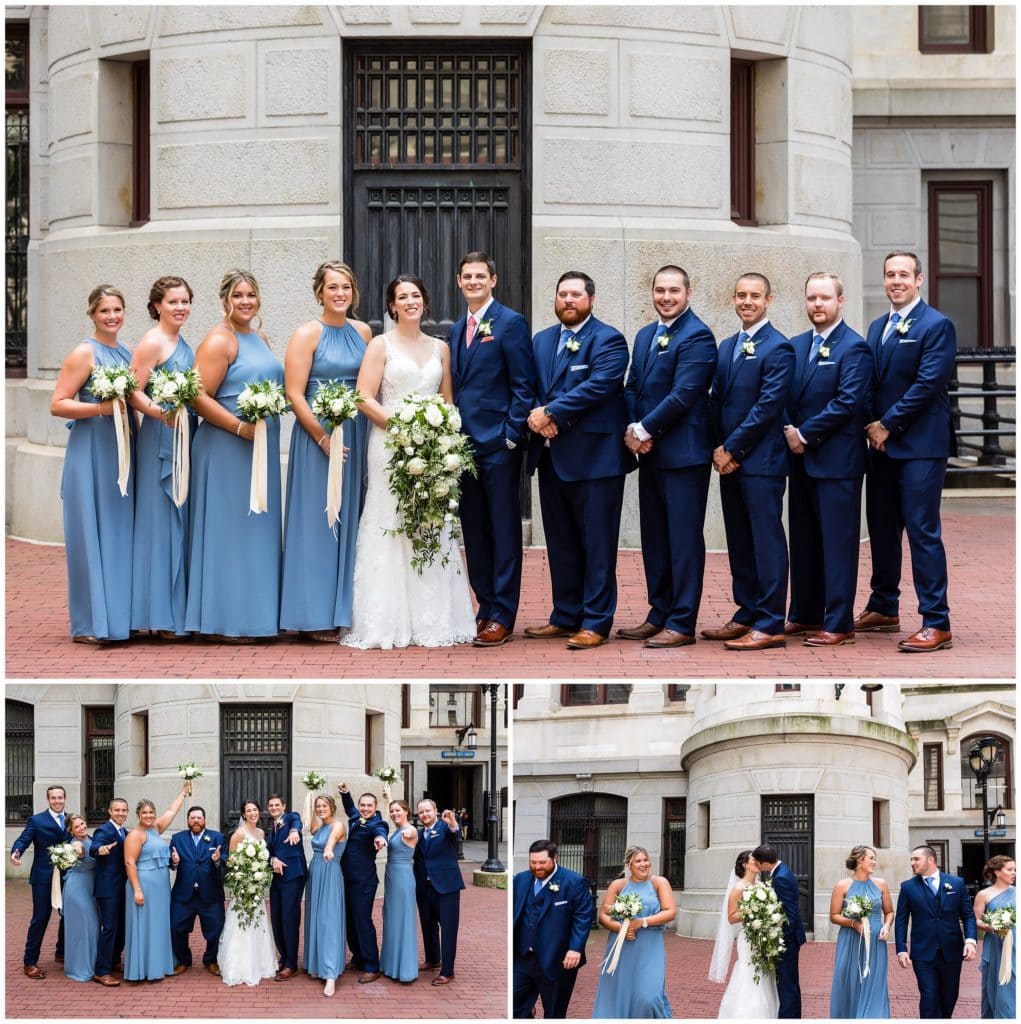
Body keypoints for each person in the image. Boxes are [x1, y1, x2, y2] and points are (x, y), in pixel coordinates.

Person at [342, 274, 476, 648]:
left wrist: (442, 436)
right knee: (391, 520)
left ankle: (432, 618)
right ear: (392, 305)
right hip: (388, 443)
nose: (410, 301)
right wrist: (402, 426)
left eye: (416, 295)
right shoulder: (380, 345)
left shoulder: (441, 348)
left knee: (430, 522)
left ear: (425, 302)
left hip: (432, 447)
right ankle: (385, 621)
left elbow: (447, 400)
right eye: (402, 297)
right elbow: (364, 397)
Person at [524, 271, 635, 650]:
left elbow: (600, 386)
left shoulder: (608, 340)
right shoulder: (541, 341)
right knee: (561, 543)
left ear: (591, 299)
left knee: (597, 545)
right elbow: (527, 387)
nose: (568, 300)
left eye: (576, 294)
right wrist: (537, 417)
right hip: (551, 457)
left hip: (596, 461)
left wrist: (552, 413)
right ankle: (565, 614)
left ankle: (597, 621)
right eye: (562, 295)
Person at [857, 251, 958, 653]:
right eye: (889, 274)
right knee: (881, 529)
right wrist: (869, 424)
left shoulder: (937, 325)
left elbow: (927, 384)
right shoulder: (878, 325)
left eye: (904, 274)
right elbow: (868, 381)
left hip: (920, 446)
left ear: (919, 280)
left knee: (922, 531)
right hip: (880, 445)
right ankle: (884, 605)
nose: (896, 281)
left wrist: (887, 424)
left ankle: (937, 621)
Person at [619, 264, 717, 648]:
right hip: (651, 454)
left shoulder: (698, 337)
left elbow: (684, 394)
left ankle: (682, 621)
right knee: (655, 539)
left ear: (688, 294)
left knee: (683, 540)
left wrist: (644, 430)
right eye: (660, 290)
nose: (666, 297)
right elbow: (631, 387)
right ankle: (658, 612)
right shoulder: (645, 335)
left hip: (684, 456)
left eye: (674, 291)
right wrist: (632, 427)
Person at [184, 268, 284, 641]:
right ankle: (223, 621)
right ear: (225, 299)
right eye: (238, 295)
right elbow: (197, 396)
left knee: (256, 531)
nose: (246, 301)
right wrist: (239, 427)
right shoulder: (218, 340)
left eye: (251, 295)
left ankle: (255, 616)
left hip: (260, 448)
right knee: (229, 531)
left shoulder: (260, 336)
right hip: (227, 446)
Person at [280, 261, 372, 640]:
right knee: (318, 519)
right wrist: (320, 436)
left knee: (352, 517)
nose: (340, 294)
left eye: (346, 287)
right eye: (332, 287)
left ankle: (342, 610)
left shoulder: (363, 331)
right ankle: (311, 613)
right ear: (319, 292)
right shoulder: (306, 334)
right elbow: (294, 393)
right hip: (317, 434)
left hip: (355, 431)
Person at [703, 274, 795, 651]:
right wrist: (716, 447)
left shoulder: (779, 348)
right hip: (729, 460)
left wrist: (733, 449)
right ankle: (747, 611)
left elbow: (767, 408)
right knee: (739, 541)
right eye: (741, 295)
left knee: (766, 541)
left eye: (755, 296)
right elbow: (715, 401)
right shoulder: (727, 346)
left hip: (761, 461)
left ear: (768, 300)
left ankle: (771, 621)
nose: (747, 301)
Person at [448, 251, 534, 647]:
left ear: (493, 280)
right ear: (459, 281)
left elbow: (523, 385)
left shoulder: (511, 323)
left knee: (503, 531)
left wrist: (511, 435)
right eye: (467, 276)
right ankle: (484, 607)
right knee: (475, 532)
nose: (474, 282)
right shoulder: (455, 329)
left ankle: (503, 613)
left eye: (480, 276)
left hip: (498, 445)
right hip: (462, 447)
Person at [783, 272, 872, 646]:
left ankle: (839, 623)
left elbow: (848, 402)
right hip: (798, 460)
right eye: (811, 299)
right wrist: (789, 427)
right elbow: (780, 394)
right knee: (803, 541)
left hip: (836, 461)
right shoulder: (795, 344)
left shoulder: (854, 348)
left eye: (824, 298)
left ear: (840, 301)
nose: (817, 305)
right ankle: (804, 614)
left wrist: (804, 434)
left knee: (837, 544)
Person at [49, 285, 135, 644]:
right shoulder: (85, 353)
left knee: (116, 535)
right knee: (90, 534)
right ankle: (89, 624)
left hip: (121, 452)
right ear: (92, 314)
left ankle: (117, 619)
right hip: (91, 451)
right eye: (105, 311)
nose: (112, 316)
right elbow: (58, 404)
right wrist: (100, 409)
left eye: (117, 310)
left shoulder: (126, 352)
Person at [129, 275, 197, 639]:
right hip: (161, 437)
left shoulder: (180, 340)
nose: (181, 308)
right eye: (173, 302)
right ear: (157, 306)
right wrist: (159, 413)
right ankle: (158, 616)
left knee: (179, 521)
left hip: (184, 433)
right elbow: (133, 392)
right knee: (161, 524)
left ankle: (174, 611)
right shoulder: (153, 341)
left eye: (185, 301)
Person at [894, 844, 977, 1018]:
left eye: (916, 859)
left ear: (931, 860)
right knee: (929, 994)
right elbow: (901, 920)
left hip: (952, 950)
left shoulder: (956, 883)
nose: (912, 863)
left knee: (949, 995)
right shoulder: (908, 887)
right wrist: (901, 949)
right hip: (922, 952)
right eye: (911, 859)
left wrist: (970, 941)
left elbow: (968, 916)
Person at [513, 838, 593, 1019]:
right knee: (515, 1006)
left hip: (558, 959)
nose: (537, 867)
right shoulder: (521, 879)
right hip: (523, 957)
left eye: (542, 862)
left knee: (555, 1012)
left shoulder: (575, 882)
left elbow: (582, 918)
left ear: (554, 858)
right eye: (533, 862)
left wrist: (575, 948)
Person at [592, 845, 675, 1018]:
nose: (643, 864)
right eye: (638, 861)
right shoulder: (618, 885)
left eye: (645, 860)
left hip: (650, 945)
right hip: (622, 946)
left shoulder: (659, 883)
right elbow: (603, 915)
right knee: (621, 992)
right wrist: (621, 927)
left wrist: (642, 922)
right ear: (629, 864)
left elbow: (670, 912)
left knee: (649, 997)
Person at [123, 786, 190, 982]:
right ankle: (142, 969)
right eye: (144, 812)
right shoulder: (135, 835)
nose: (148, 815)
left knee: (158, 925)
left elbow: (171, 811)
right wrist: (137, 890)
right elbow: (130, 862)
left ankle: (158, 965)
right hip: (144, 885)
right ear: (138, 815)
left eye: (151, 812)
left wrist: (183, 793)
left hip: (161, 887)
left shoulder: (156, 829)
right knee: (145, 925)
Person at [10, 784, 71, 978]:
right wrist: (16, 852)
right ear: (48, 800)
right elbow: (23, 840)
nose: (57, 801)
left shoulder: (70, 819)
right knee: (40, 918)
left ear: (65, 799)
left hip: (67, 875)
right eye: (53, 798)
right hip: (43, 878)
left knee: (68, 914)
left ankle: (61, 951)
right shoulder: (36, 820)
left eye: (60, 797)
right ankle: (30, 962)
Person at [709, 850, 778, 1018]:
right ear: (744, 864)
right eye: (753, 860)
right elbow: (731, 917)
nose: (757, 862)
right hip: (747, 938)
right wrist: (752, 911)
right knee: (749, 973)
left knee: (765, 975)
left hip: (763, 937)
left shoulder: (762, 886)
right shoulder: (738, 888)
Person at [828, 844, 894, 1018]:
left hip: (875, 940)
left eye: (875, 858)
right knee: (848, 978)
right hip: (850, 939)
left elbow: (889, 912)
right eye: (871, 858)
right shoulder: (842, 885)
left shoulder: (881, 884)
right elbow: (834, 916)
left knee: (874, 980)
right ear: (859, 860)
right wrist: (854, 924)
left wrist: (887, 926)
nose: (874, 862)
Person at [218, 799, 277, 986]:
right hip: (244, 885)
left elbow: (263, 857)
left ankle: (259, 963)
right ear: (243, 814)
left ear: (259, 812)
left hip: (257, 885)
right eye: (248, 810)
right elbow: (231, 861)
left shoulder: (261, 832)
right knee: (242, 920)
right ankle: (238, 965)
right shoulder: (238, 834)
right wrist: (244, 876)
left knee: (258, 920)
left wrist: (259, 872)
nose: (252, 813)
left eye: (255, 810)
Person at [337, 782, 388, 981]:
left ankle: (372, 966)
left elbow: (381, 832)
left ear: (375, 808)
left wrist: (381, 839)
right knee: (350, 921)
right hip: (347, 879)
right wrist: (346, 793)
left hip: (363, 882)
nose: (365, 808)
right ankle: (358, 957)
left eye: (369, 806)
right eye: (363, 805)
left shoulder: (378, 823)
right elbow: (350, 809)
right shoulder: (356, 818)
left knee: (363, 922)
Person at [168, 805, 225, 976]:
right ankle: (184, 960)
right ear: (187, 820)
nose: (196, 821)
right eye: (192, 818)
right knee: (177, 927)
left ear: (204, 819)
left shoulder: (217, 837)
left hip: (210, 893)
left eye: (199, 817)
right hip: (184, 894)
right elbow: (171, 862)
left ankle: (211, 960)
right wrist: (175, 862)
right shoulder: (177, 838)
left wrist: (217, 860)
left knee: (216, 928)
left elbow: (225, 859)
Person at [752, 843, 806, 1018]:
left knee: (786, 983)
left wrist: (781, 943)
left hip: (787, 941)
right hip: (791, 938)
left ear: (764, 863)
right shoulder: (783, 869)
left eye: (758, 864)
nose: (758, 868)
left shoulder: (779, 878)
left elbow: (790, 915)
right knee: (790, 981)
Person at [414, 799, 464, 986]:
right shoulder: (419, 833)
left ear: (435, 811)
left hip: (447, 887)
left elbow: (455, 833)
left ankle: (447, 971)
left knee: (449, 929)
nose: (425, 814)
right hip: (424, 887)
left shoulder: (444, 828)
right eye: (421, 812)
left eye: (427, 811)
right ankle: (433, 959)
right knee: (428, 925)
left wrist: (451, 821)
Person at [303, 795, 348, 997]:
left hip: (330, 873)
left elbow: (330, 842)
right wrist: (310, 797)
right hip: (316, 874)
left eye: (324, 806)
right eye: (318, 807)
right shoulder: (319, 827)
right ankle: (317, 964)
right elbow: (310, 826)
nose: (321, 809)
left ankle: (330, 975)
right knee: (316, 919)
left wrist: (329, 849)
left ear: (332, 807)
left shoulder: (338, 826)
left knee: (328, 921)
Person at [265, 794, 306, 980]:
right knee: (277, 919)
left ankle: (291, 964)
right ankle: (284, 957)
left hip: (293, 877)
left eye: (277, 805)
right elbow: (270, 853)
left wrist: (294, 831)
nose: (274, 808)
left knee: (289, 919)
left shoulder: (290, 818)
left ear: (283, 806)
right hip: (277, 878)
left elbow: (297, 821)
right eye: (271, 805)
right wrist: (273, 859)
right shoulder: (271, 829)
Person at [90, 796, 130, 986]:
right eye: (117, 810)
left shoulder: (125, 832)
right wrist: (100, 849)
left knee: (121, 927)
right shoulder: (104, 830)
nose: (120, 813)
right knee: (109, 928)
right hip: (108, 889)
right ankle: (101, 971)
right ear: (110, 811)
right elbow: (95, 846)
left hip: (122, 888)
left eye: (124, 810)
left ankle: (114, 960)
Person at [380, 799, 419, 983]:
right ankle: (390, 965)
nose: (394, 813)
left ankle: (405, 969)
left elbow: (411, 832)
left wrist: (410, 830)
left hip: (402, 878)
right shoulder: (396, 829)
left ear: (406, 812)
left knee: (402, 919)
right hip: (392, 876)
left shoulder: (408, 830)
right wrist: (388, 797)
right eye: (392, 811)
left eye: (398, 811)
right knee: (392, 919)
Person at [974, 855, 1015, 1019]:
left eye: (1015, 870)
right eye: (1010, 870)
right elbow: (976, 920)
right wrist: (991, 927)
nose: (1014, 873)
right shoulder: (983, 895)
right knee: (998, 990)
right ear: (997, 872)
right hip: (997, 945)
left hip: (1016, 945)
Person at [60, 814, 99, 983]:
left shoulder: (90, 838)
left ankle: (91, 962)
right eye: (77, 827)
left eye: (82, 824)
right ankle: (80, 967)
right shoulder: (75, 842)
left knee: (92, 926)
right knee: (84, 927)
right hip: (77, 887)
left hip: (90, 884)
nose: (81, 827)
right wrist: (77, 849)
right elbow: (78, 850)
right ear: (71, 830)